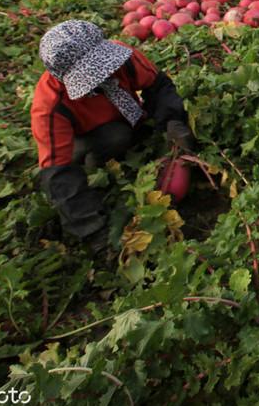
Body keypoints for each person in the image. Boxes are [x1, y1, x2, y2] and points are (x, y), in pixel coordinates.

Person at [31, 19, 196, 251]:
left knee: (131, 132)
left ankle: (128, 139)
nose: (101, 77)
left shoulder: (125, 57)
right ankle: (94, 160)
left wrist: (172, 121)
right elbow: (58, 172)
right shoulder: (50, 105)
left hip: (129, 117)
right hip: (87, 136)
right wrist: (92, 229)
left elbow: (158, 86)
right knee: (115, 137)